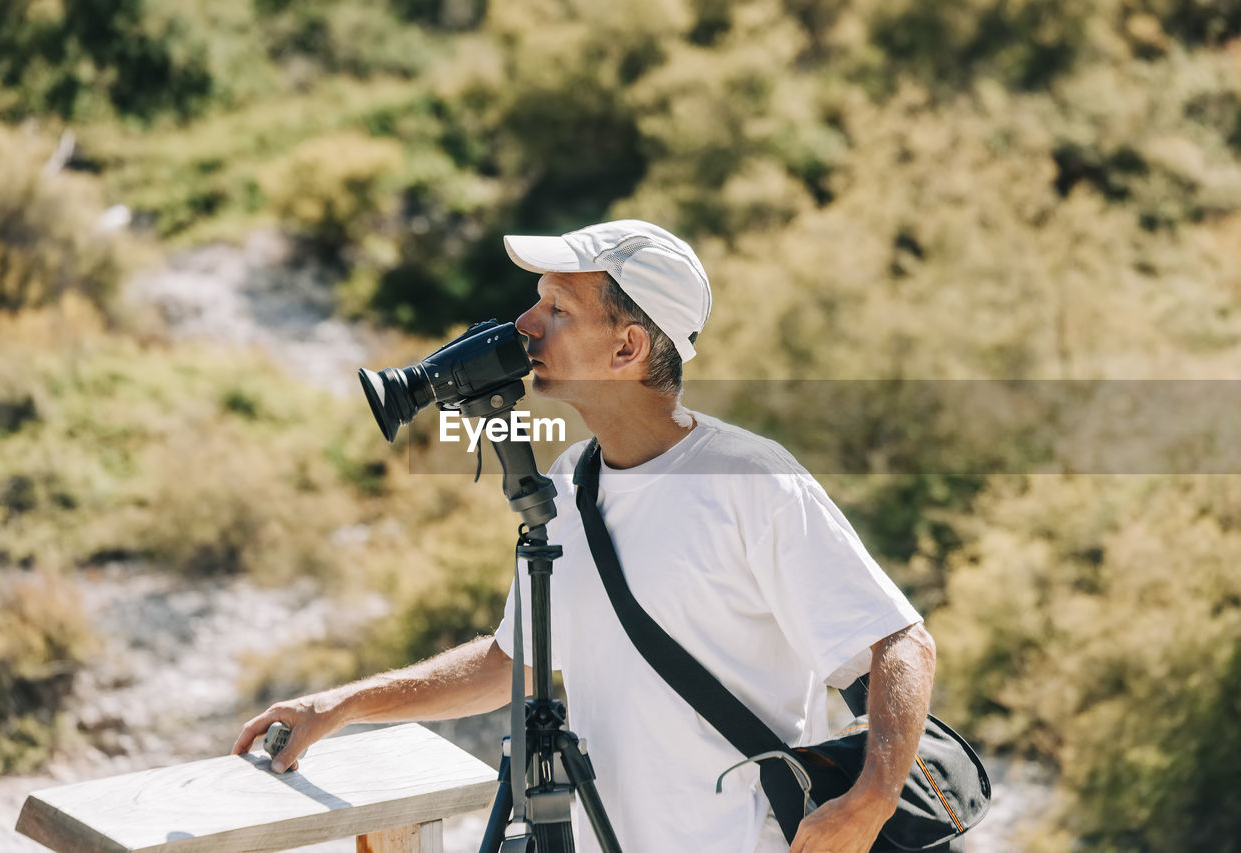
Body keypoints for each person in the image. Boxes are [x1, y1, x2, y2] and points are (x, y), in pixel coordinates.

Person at [233, 220, 938, 853]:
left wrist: (869, 801)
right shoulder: (572, 481)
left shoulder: (747, 480)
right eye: (538, 300)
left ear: (627, 346)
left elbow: (899, 640)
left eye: (558, 309)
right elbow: (512, 665)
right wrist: (343, 705)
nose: (525, 323)